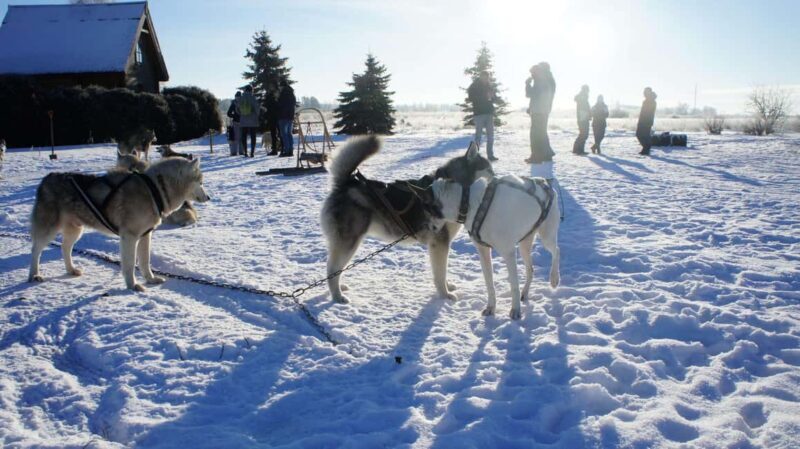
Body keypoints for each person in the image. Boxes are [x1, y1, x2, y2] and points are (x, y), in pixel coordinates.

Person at [525, 62, 556, 164]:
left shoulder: (541, 80)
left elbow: (531, 94)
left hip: (538, 110)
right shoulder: (549, 79)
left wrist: (527, 84)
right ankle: (547, 154)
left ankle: (536, 157)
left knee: (535, 134)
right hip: (544, 110)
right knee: (542, 133)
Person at [467, 71, 497, 161]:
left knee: (490, 136)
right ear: (480, 77)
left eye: (487, 77)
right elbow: (470, 97)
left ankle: (490, 155)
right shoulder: (474, 86)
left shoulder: (489, 86)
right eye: (484, 77)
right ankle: (475, 155)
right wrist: (484, 96)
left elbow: (494, 98)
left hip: (489, 113)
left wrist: (493, 97)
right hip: (479, 113)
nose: (486, 78)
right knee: (478, 136)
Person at [238, 85, 260, 157]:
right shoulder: (253, 98)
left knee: (244, 136)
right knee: (253, 137)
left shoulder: (241, 98)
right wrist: (258, 115)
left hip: (243, 120)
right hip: (253, 120)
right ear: (251, 90)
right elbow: (257, 109)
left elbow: (237, 109)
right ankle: (252, 152)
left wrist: (241, 115)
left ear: (245, 90)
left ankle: (245, 152)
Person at [277, 82, 296, 157]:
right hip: (290, 117)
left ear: (282, 86)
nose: (279, 88)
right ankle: (291, 150)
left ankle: (287, 151)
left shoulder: (283, 94)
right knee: (289, 134)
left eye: (280, 86)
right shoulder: (292, 94)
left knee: (284, 135)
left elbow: (280, 105)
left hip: (283, 117)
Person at [636, 87, 657, 155]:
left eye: (645, 92)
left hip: (646, 121)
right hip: (643, 121)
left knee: (642, 135)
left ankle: (647, 148)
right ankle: (646, 148)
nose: (644, 93)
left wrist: (644, 120)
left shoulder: (651, 101)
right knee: (640, 135)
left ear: (648, 92)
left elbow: (648, 112)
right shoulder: (647, 100)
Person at [572, 85, 591, 155]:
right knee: (583, 134)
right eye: (587, 90)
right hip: (582, 119)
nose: (588, 92)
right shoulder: (582, 97)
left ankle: (578, 149)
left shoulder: (584, 97)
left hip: (583, 118)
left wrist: (589, 114)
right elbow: (584, 109)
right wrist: (588, 114)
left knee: (583, 134)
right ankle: (578, 150)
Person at [264, 90, 281, 155]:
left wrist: (265, 118)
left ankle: (274, 149)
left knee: (273, 135)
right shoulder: (276, 100)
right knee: (280, 134)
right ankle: (281, 147)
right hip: (278, 119)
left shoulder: (267, 101)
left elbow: (266, 111)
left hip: (271, 120)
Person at [226, 92, 241, 156]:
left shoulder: (243, 103)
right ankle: (234, 152)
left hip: (242, 122)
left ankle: (240, 151)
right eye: (237, 97)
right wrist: (234, 116)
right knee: (235, 138)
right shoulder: (233, 104)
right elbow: (228, 113)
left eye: (238, 97)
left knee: (241, 137)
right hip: (236, 122)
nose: (238, 98)